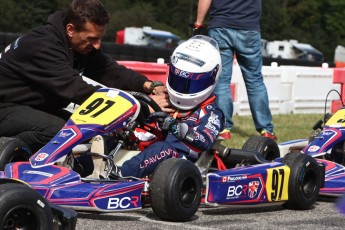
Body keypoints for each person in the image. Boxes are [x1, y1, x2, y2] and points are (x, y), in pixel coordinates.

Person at [0, 0, 173, 153]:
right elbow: (79, 91)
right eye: (92, 39)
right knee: (59, 132)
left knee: (85, 129)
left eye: (99, 38)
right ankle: (10, 155)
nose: (97, 45)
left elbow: (110, 70)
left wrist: (150, 85)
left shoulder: (76, 42)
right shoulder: (44, 47)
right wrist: (140, 107)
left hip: (23, 104)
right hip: (5, 107)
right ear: (70, 29)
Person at [107, 35, 225, 178]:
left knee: (162, 148)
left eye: (190, 85)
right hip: (146, 152)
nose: (182, 89)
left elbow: (204, 141)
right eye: (178, 81)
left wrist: (174, 127)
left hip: (179, 163)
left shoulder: (212, 113)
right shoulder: (162, 100)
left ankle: (120, 175)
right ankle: (83, 166)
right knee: (113, 137)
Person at [193, 0, 277, 140]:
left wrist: (198, 22)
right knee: (255, 80)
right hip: (249, 27)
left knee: (222, 81)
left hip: (221, 26)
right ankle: (266, 129)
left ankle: (223, 128)